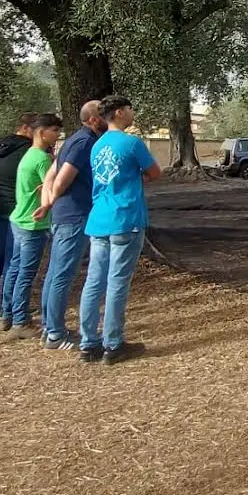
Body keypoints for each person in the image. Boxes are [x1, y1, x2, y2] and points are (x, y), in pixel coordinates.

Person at [78, 95, 162, 364]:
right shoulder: (131, 143)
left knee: (94, 281)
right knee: (117, 282)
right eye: (129, 108)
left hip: (99, 219)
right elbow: (155, 172)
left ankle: (88, 342)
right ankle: (113, 344)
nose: (132, 111)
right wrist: (136, 178)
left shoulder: (97, 145)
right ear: (118, 113)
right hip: (125, 218)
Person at [38, 100, 105, 350]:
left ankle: (49, 326)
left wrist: (48, 204)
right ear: (94, 120)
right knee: (62, 275)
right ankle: (55, 333)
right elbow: (61, 176)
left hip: (65, 215)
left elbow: (51, 173)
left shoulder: (73, 140)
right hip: (74, 216)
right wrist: (53, 200)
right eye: (105, 114)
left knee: (56, 272)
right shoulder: (84, 142)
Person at [4, 114, 62, 335]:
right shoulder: (41, 159)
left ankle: (8, 314)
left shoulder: (30, 155)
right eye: (54, 131)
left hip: (19, 219)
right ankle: (20, 322)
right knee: (26, 273)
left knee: (15, 269)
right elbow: (53, 187)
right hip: (33, 223)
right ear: (41, 132)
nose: (57, 136)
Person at [0, 116, 35, 320]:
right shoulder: (30, 150)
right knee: (14, 259)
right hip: (17, 209)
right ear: (26, 128)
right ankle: (8, 307)